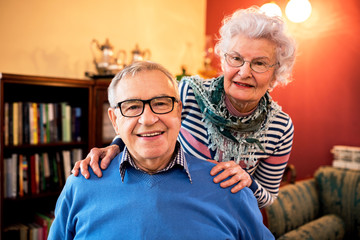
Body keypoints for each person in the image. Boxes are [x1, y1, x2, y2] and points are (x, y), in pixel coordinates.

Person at [72, 6, 296, 209]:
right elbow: (148, 116)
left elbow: (268, 196)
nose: (244, 72)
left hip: (225, 213)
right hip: (173, 200)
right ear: (224, 60)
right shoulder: (190, 92)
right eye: (236, 58)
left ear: (276, 72)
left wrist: (249, 183)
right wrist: (116, 146)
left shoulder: (281, 127)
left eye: (259, 63)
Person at [48, 61, 274, 239]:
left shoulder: (229, 189)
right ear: (115, 120)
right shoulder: (81, 185)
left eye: (161, 103)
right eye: (132, 106)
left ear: (179, 111)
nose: (148, 119)